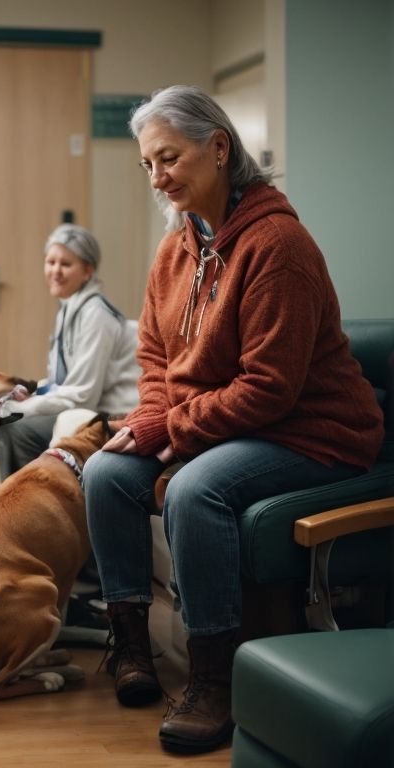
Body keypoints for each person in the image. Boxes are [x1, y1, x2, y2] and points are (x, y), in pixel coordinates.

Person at [84, 85, 382, 755]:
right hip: (233, 423)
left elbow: (271, 388)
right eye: (147, 165)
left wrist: (175, 430)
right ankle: (130, 644)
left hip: (313, 431)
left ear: (219, 149)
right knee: (105, 472)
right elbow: (155, 356)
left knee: (197, 488)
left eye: (170, 158)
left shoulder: (278, 245)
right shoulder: (176, 248)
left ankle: (214, 676)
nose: (158, 178)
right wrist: (158, 417)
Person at [0, 224, 140, 480]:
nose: (55, 271)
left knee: (17, 427)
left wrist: (27, 408)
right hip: (87, 406)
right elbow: (61, 383)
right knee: (10, 419)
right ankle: (20, 504)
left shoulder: (96, 315)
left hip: (112, 416)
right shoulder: (70, 309)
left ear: (88, 271)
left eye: (65, 264)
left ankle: (29, 506)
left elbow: (83, 395)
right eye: (50, 262)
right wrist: (30, 392)